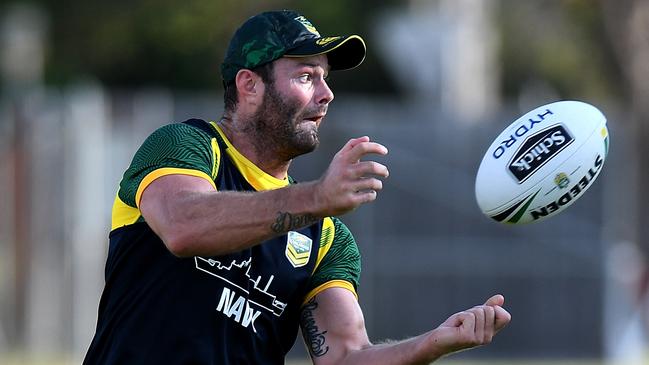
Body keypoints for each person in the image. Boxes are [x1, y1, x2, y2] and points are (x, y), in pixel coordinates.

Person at [84, 10, 511, 365]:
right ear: (250, 86)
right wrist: (317, 198)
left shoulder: (326, 237)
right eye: (307, 76)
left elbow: (344, 357)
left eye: (326, 79)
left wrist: (433, 343)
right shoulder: (188, 147)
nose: (326, 94)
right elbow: (182, 225)